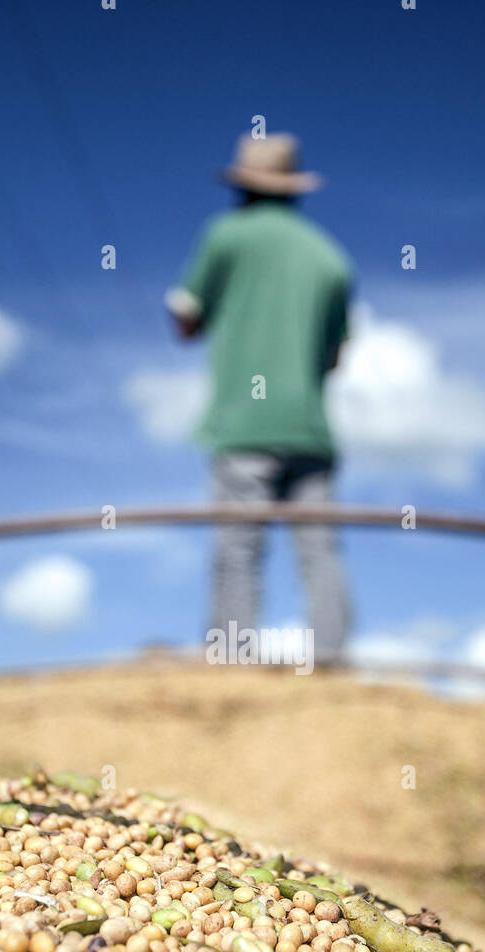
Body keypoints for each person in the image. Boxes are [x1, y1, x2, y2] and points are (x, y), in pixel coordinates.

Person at [165, 131, 353, 666]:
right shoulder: (331, 259)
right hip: (310, 426)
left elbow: (186, 314)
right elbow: (335, 356)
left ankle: (232, 660)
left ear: (244, 187)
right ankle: (331, 660)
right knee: (319, 550)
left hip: (244, 421)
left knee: (239, 548)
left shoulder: (226, 235)